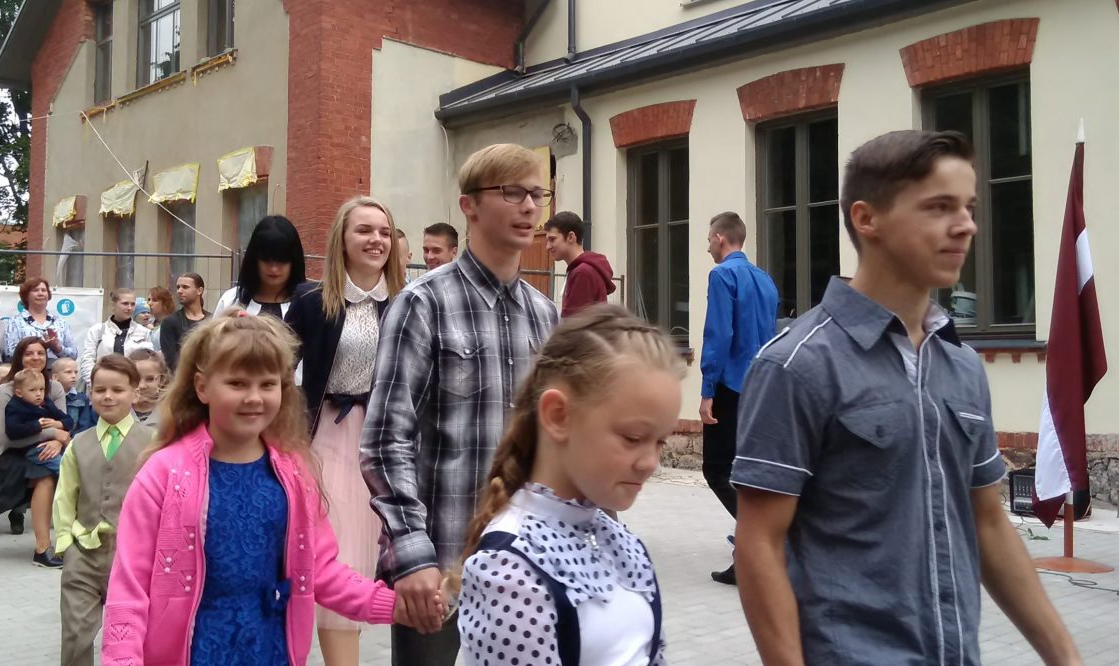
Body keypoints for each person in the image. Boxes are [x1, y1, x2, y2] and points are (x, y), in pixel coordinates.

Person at [732, 131, 1081, 665]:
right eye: (939, 207)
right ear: (866, 219)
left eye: (968, 207)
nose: (966, 225)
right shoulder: (797, 365)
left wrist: (1066, 657)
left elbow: (988, 522)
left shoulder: (962, 366)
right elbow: (759, 544)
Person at [102, 313, 423, 666]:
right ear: (202, 387)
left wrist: (395, 605)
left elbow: (321, 571)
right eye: (238, 383)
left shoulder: (293, 474)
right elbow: (129, 587)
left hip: (271, 653)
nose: (254, 397)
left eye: (267, 384)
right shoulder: (163, 473)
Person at [362, 143, 560, 665]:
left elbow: (557, 444)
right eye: (511, 192)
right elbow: (385, 441)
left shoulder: (546, 316)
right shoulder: (422, 303)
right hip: (442, 568)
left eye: (536, 194)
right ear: (469, 205)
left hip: (527, 562)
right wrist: (412, 553)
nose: (529, 206)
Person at [452, 306, 680, 664]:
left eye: (660, 441)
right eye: (633, 438)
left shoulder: (621, 542)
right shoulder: (510, 572)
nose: (650, 462)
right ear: (558, 416)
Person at [286, 197, 405, 666]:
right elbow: (276, 364)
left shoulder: (409, 303)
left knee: (379, 559)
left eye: (384, 231)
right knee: (338, 555)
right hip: (326, 442)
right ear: (342, 238)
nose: (376, 240)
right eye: (364, 230)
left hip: (386, 445)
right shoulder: (312, 303)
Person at [54, 354, 154, 666]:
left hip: (133, 558)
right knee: (75, 637)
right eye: (100, 390)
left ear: (135, 393)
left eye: (117, 390)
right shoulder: (78, 443)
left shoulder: (153, 443)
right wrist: (66, 544)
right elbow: (65, 496)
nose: (108, 396)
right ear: (90, 394)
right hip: (84, 552)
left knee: (132, 638)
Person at [696, 210, 778, 586]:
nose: (708, 248)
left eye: (708, 240)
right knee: (747, 472)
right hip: (762, 387)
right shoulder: (764, 279)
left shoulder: (722, 275)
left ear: (719, 238)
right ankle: (749, 552)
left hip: (730, 386)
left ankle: (762, 541)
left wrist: (707, 391)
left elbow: (718, 335)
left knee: (717, 469)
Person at [0, 336, 71, 565]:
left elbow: (64, 425)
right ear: (19, 358)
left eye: (40, 353)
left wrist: (58, 441)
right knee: (47, 474)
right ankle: (43, 548)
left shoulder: (55, 387)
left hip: (40, 449)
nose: (35, 357)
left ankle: (50, 547)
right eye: (29, 353)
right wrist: (54, 434)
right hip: (7, 453)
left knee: (50, 474)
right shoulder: (6, 390)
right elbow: (6, 436)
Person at [215, 215, 307, 319]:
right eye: (266, 259)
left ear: (294, 260)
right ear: (254, 259)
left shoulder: (309, 305)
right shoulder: (230, 301)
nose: (274, 269)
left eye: (282, 260)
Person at [545, 210, 617, 317]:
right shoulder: (580, 270)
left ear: (571, 237)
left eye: (552, 239)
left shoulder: (583, 272)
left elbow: (574, 322)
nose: (548, 246)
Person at [78, 288, 153, 389]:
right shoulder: (97, 330)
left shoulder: (144, 332)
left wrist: (138, 387)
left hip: (134, 388)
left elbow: (149, 362)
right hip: (102, 386)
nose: (129, 308)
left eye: (132, 304)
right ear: (113, 305)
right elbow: (87, 360)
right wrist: (96, 385)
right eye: (125, 303)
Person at [5, 368, 73, 476]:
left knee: (77, 460)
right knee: (64, 468)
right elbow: (12, 431)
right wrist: (37, 425)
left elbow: (69, 420)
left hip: (54, 443)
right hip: (33, 449)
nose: (38, 394)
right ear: (19, 393)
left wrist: (58, 424)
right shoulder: (15, 407)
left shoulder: (45, 403)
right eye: (32, 390)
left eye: (41, 389)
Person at [3, 277, 78, 365]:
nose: (40, 293)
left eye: (43, 290)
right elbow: (9, 354)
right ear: (26, 295)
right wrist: (37, 349)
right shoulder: (14, 322)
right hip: (27, 370)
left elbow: (74, 355)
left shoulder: (61, 322)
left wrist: (58, 348)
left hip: (57, 370)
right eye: (35, 290)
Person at [159, 273, 208, 368]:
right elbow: (171, 359)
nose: (179, 291)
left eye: (185, 287)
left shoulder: (212, 320)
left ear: (199, 290)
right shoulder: (170, 322)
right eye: (178, 287)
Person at [127, 349, 168, 425]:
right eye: (136, 379)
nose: (142, 386)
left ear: (161, 380)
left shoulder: (171, 413)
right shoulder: (118, 412)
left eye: (150, 379)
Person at [52, 357, 92, 435]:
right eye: (68, 372)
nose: (74, 376)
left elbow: (85, 425)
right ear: (55, 377)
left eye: (76, 372)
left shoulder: (82, 398)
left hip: (75, 439)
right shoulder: (49, 398)